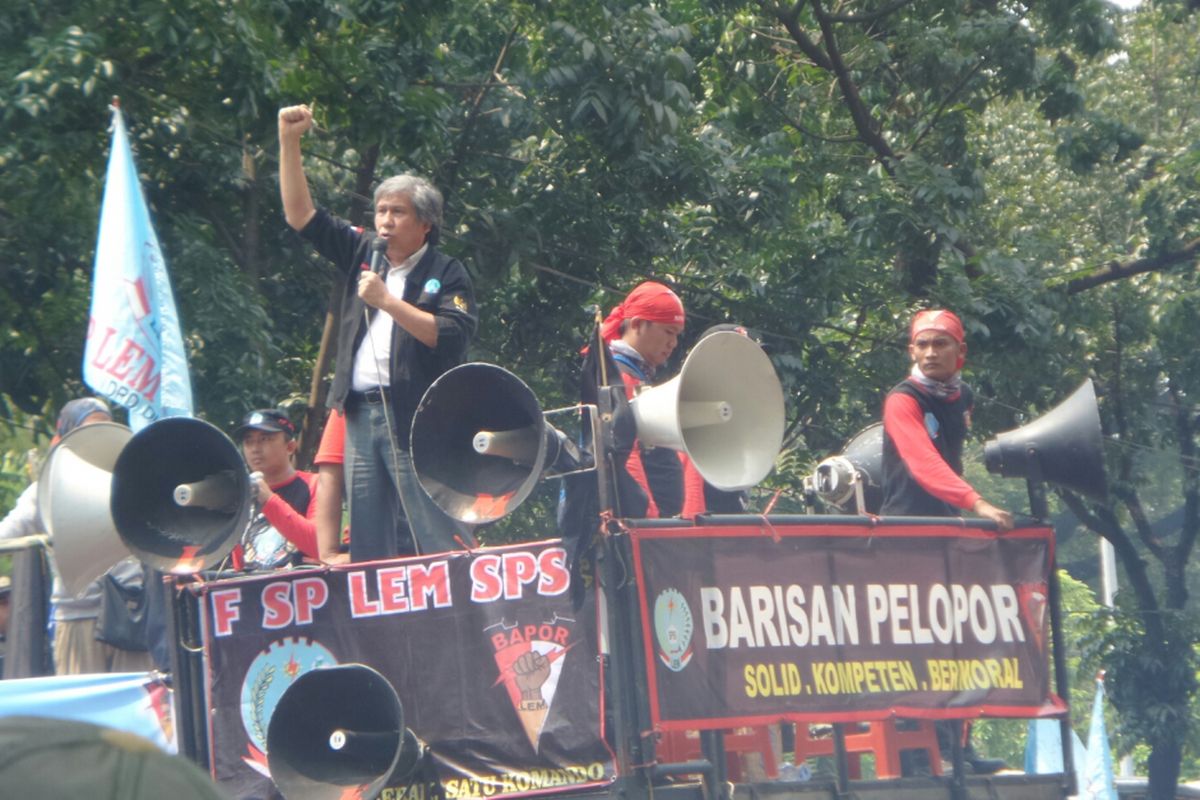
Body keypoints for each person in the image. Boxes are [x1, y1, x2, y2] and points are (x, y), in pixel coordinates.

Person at [278, 104, 478, 562]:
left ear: (426, 224)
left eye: (398, 212)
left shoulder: (447, 272)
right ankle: (382, 624)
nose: (385, 221)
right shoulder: (364, 251)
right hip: (360, 414)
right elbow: (300, 215)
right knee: (367, 534)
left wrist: (388, 301)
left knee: (435, 522)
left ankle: (469, 609)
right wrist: (289, 142)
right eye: (381, 211)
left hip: (417, 414)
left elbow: (449, 336)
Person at [880, 309, 1011, 775]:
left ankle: (959, 745)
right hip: (907, 534)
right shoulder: (902, 399)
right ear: (911, 351)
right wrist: (977, 502)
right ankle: (917, 753)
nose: (931, 353)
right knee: (918, 642)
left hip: (947, 531)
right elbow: (923, 462)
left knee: (958, 640)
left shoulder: (962, 396)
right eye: (922, 345)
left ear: (961, 353)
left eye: (940, 344)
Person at [0, 398, 154, 675]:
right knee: (83, 713)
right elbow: (8, 534)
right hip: (77, 618)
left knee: (138, 706)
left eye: (104, 430)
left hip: (132, 615)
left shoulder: (133, 482)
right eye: (88, 431)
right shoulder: (45, 490)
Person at [592, 280, 701, 518]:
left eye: (677, 335)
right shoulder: (618, 377)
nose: (673, 343)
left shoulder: (630, 373)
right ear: (639, 325)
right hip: (643, 532)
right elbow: (625, 454)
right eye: (668, 332)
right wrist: (647, 519)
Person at [231, 409, 320, 571]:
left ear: (290, 447)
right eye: (248, 441)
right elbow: (238, 561)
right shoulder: (239, 497)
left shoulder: (315, 484)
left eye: (265, 439)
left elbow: (320, 545)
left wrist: (268, 500)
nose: (255, 448)